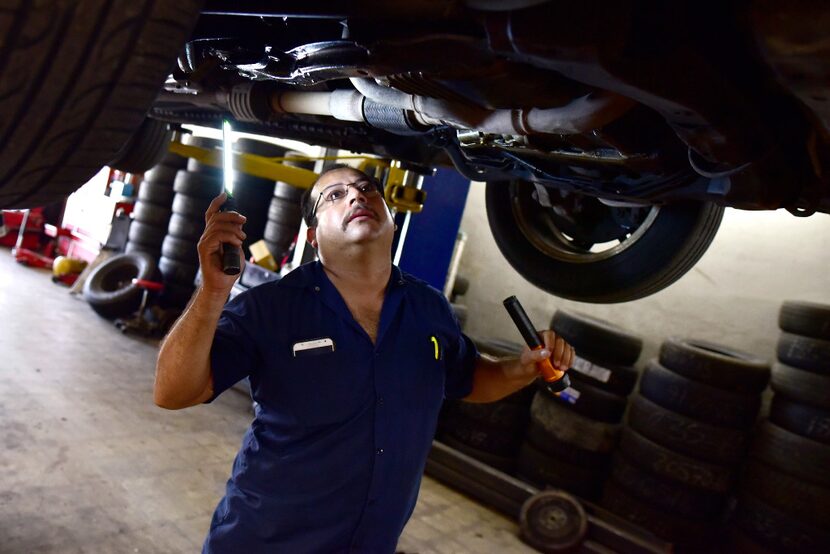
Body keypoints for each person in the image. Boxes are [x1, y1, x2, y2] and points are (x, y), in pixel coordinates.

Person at [153, 165, 575, 553]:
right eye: (334, 196)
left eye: (366, 188)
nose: (356, 197)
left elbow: (469, 380)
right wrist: (212, 293)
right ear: (314, 235)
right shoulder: (271, 308)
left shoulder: (428, 308)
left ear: (392, 218)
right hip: (264, 542)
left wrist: (520, 370)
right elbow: (173, 392)